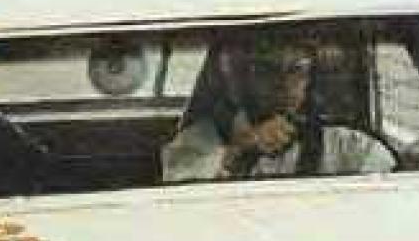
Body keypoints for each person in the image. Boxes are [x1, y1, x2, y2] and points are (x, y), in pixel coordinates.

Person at [161, 36, 396, 183]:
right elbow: (174, 191)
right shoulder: (200, 140)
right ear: (242, 78)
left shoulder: (348, 145)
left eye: (296, 70)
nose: (284, 84)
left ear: (309, 80)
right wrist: (239, 150)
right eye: (267, 71)